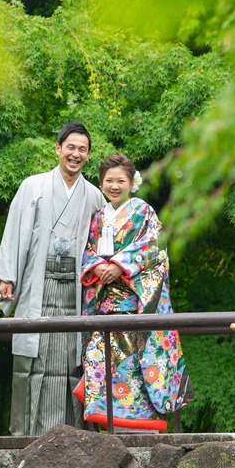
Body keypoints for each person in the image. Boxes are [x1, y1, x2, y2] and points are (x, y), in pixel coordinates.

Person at [0, 122, 105, 436]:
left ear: (88, 155)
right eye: (71, 147)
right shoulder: (33, 187)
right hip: (38, 285)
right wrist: (8, 276)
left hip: (75, 291)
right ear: (58, 149)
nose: (76, 154)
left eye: (82, 149)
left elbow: (100, 249)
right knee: (35, 359)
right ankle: (30, 437)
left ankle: (74, 435)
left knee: (73, 359)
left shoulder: (94, 196)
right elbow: (15, 231)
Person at [73, 153, 192, 431]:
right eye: (109, 181)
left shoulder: (143, 212)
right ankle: (111, 432)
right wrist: (97, 266)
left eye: (120, 181)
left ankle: (139, 433)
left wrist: (120, 265)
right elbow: (87, 251)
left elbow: (154, 248)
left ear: (131, 182)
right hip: (104, 312)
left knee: (136, 374)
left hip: (133, 309)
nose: (114, 186)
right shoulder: (98, 217)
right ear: (101, 183)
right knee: (105, 374)